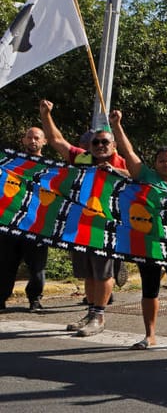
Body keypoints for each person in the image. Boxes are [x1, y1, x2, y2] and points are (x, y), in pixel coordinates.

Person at [109, 110, 167, 352]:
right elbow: (128, 153)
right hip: (147, 241)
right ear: (155, 163)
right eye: (162, 160)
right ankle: (150, 336)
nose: (166, 164)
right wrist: (117, 125)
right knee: (149, 289)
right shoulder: (146, 176)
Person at [40, 100, 129, 336]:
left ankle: (99, 316)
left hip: (107, 228)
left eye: (105, 142)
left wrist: (116, 171)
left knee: (103, 272)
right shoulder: (81, 159)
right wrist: (46, 115)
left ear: (114, 145)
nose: (100, 146)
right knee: (88, 273)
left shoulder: (121, 162)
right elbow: (57, 141)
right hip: (79, 226)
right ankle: (90, 312)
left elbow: (140, 177)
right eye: (95, 142)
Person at [0, 127, 50, 312]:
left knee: (37, 268)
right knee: (5, 265)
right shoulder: (12, 164)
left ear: (44, 141)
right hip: (10, 224)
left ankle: (35, 299)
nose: (32, 141)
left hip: (36, 226)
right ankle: (1, 298)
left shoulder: (51, 168)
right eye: (29, 137)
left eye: (37, 138)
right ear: (23, 140)